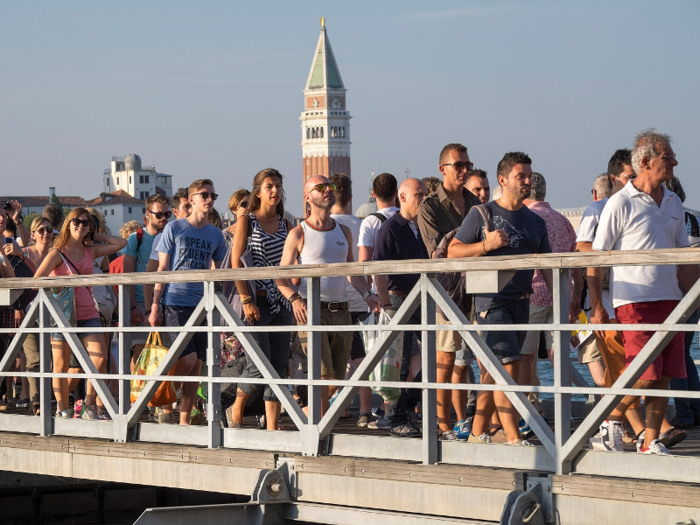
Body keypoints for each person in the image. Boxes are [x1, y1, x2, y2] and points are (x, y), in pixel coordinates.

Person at [590, 129, 699, 455]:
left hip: (671, 300)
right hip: (634, 301)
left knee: (666, 373)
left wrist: (694, 293)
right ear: (646, 161)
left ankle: (650, 441)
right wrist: (596, 304)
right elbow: (596, 258)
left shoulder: (674, 202)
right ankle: (612, 420)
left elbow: (683, 259)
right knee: (644, 372)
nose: (675, 161)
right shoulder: (619, 202)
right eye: (668, 157)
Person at [448, 152, 554, 445]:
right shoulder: (482, 214)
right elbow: (453, 251)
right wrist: (485, 244)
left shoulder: (536, 222)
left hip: (522, 301)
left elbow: (546, 266)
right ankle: (512, 438)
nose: (528, 181)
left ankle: (476, 433)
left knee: (497, 373)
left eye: (530, 176)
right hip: (491, 302)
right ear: (503, 179)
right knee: (508, 369)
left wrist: (563, 304)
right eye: (521, 176)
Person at [276, 175, 381, 417]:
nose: (328, 191)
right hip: (312, 311)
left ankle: (307, 410)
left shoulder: (344, 231)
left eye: (330, 187)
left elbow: (351, 273)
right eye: (320, 188)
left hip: (342, 311)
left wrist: (367, 295)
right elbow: (279, 278)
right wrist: (295, 299)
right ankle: (320, 433)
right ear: (307, 197)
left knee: (337, 376)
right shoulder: (298, 233)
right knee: (322, 375)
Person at [34, 207, 127, 419]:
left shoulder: (90, 250)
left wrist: (93, 235)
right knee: (61, 364)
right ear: (68, 222)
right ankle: (62, 409)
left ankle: (89, 405)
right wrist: (63, 281)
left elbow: (121, 243)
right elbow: (38, 279)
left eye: (85, 223)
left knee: (99, 359)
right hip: (64, 315)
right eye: (76, 221)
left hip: (88, 312)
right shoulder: (57, 252)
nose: (80, 225)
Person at [149, 179, 227, 425]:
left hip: (203, 304)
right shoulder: (174, 228)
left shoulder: (216, 234)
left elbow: (221, 269)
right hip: (175, 300)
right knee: (188, 359)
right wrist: (154, 306)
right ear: (191, 199)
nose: (209, 199)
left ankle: (184, 419)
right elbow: (162, 268)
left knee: (198, 365)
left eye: (213, 195)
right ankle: (163, 394)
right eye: (204, 195)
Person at [418, 143, 480, 441]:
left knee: (480, 358)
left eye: (467, 164)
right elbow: (437, 253)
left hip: (478, 289)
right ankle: (441, 425)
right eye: (459, 165)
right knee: (445, 358)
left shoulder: (475, 202)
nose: (465, 169)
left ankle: (476, 423)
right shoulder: (429, 206)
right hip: (445, 293)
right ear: (443, 169)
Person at [226, 169, 293, 431]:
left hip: (282, 303)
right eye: (269, 186)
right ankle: (237, 408)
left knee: (278, 367)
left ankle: (272, 427)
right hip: (257, 301)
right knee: (259, 363)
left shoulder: (285, 222)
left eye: (278, 185)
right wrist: (246, 299)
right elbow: (236, 263)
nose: (275, 191)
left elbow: (289, 265)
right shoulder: (247, 221)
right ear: (258, 191)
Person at [520, 173, 582, 410]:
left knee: (527, 356)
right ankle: (563, 409)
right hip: (560, 295)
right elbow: (575, 258)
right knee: (559, 355)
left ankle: (530, 408)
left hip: (534, 294)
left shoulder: (527, 218)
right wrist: (575, 297)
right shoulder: (562, 220)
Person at [374, 178, 429, 438]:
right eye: (418, 195)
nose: (423, 199)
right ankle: (397, 418)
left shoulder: (422, 227)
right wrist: (385, 304)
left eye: (425, 195)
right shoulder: (390, 228)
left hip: (423, 298)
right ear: (402, 197)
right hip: (399, 299)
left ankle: (407, 408)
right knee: (401, 363)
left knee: (434, 357)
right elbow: (379, 270)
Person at [356, 172, 399, 429]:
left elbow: (364, 262)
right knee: (410, 352)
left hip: (384, 295)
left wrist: (370, 293)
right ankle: (410, 407)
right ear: (396, 193)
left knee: (385, 355)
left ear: (373, 194)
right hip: (411, 290)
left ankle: (388, 410)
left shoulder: (370, 221)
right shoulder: (407, 218)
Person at [329, 173, 370, 422]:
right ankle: (365, 411)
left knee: (338, 359)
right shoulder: (361, 224)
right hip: (363, 299)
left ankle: (341, 408)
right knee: (364, 359)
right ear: (351, 197)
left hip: (337, 301)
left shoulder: (324, 226)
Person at [663, 177, 700, 429]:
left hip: (676, 294)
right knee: (684, 353)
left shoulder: (668, 220)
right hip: (695, 294)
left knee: (676, 355)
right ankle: (694, 410)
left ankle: (684, 414)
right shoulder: (695, 218)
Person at [123, 194, 172, 370]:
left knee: (163, 353)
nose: (164, 218)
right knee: (140, 351)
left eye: (167, 214)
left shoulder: (171, 235)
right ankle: (135, 395)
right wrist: (133, 307)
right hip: (140, 305)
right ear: (148, 215)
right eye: (159, 214)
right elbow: (127, 274)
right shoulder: (136, 238)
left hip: (165, 303)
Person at [20, 217, 55, 415]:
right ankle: (38, 405)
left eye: (49, 229)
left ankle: (53, 401)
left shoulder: (57, 253)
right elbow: (20, 284)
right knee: (34, 360)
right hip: (30, 312)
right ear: (32, 234)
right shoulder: (23, 253)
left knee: (54, 359)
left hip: (56, 313)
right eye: (41, 229)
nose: (46, 233)